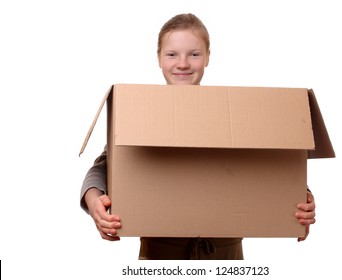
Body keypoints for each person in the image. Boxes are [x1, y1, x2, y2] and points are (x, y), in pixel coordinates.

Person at [80, 13, 316, 260]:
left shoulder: (229, 113)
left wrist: (302, 196)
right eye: (172, 54)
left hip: (226, 254)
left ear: (207, 58)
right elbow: (105, 167)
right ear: (159, 58)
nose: (183, 63)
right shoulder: (142, 114)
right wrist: (95, 201)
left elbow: (270, 161)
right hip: (160, 254)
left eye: (194, 54)